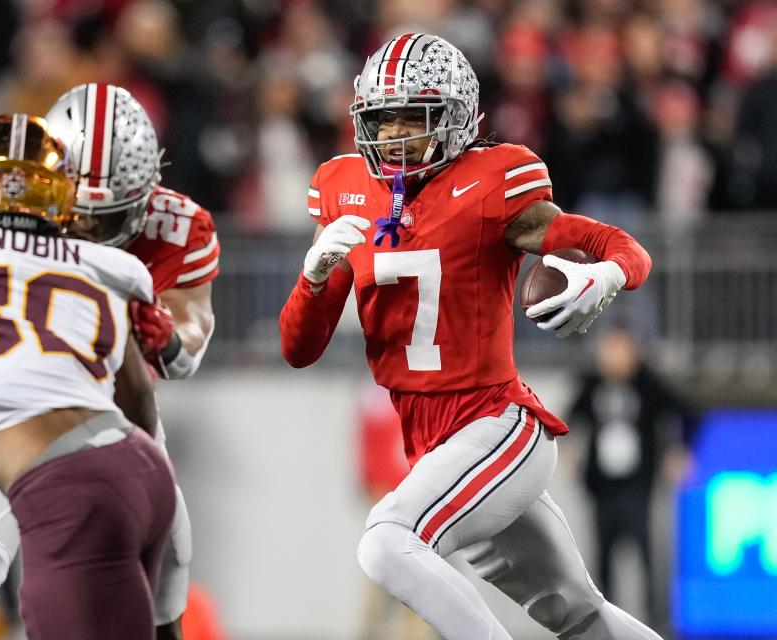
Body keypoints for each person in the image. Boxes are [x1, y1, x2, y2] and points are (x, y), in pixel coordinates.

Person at [279, 33, 661, 640]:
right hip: (431, 443)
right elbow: (299, 350)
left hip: (495, 423)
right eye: (382, 119)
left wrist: (606, 276)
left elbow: (618, 246)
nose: (394, 135)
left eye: (414, 117)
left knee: (387, 541)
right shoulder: (343, 188)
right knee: (578, 615)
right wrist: (314, 276)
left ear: (456, 119)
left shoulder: (492, 182)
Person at [0, 83, 218, 640]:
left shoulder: (175, 225)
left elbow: (191, 329)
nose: (93, 231)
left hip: (115, 415)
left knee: (166, 582)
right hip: (6, 407)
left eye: (110, 216)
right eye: (81, 214)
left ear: (147, 188)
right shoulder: (10, 204)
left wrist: (167, 337)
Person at [568, 326, 697, 628]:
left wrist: (680, 450)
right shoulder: (592, 385)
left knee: (647, 559)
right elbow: (568, 417)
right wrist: (568, 447)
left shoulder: (648, 385)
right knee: (602, 561)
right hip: (602, 489)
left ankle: (657, 624)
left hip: (638, 488)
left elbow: (688, 412)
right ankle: (605, 626)